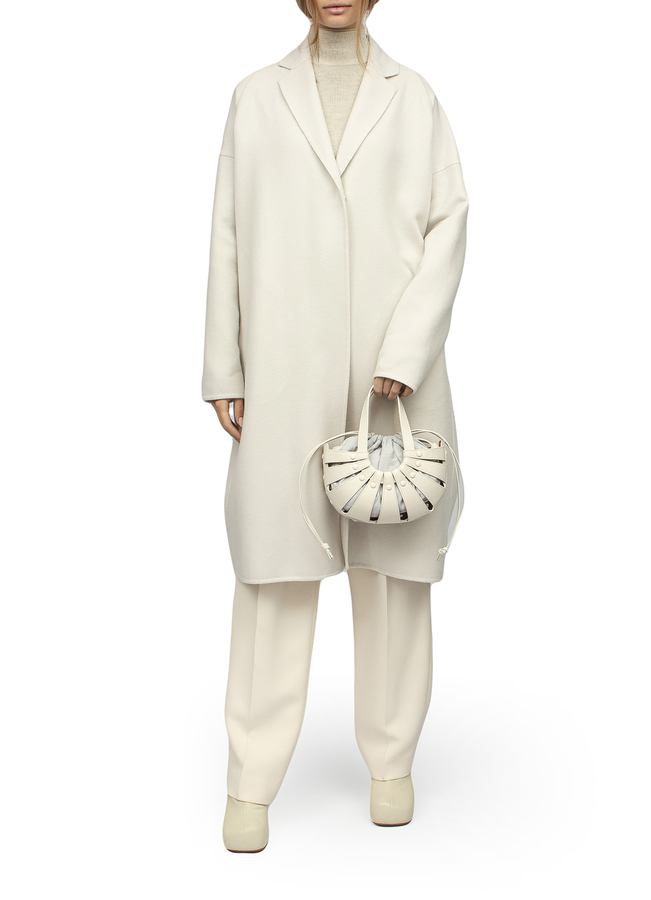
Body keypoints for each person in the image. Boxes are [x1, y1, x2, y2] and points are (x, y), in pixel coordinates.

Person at [201, 0, 469, 852]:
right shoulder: (255, 96)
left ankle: (391, 762)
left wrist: (407, 348)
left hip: (392, 375)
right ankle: (251, 779)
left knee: (391, 566)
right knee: (273, 566)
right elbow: (228, 232)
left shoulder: (414, 97)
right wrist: (224, 367)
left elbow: (449, 224)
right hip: (285, 360)